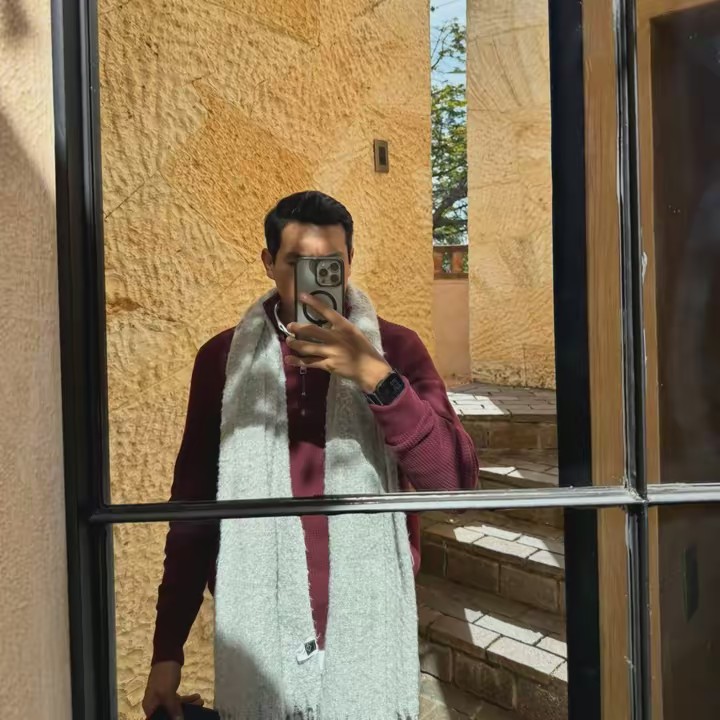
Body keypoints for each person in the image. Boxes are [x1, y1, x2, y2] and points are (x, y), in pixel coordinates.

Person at [142, 191, 479, 720]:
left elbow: (455, 483)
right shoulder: (223, 361)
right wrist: (167, 653)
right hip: (259, 629)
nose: (315, 281)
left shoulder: (396, 349)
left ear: (350, 261)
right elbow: (193, 511)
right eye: (297, 264)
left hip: (369, 620)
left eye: (330, 266)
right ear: (268, 263)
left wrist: (376, 376)